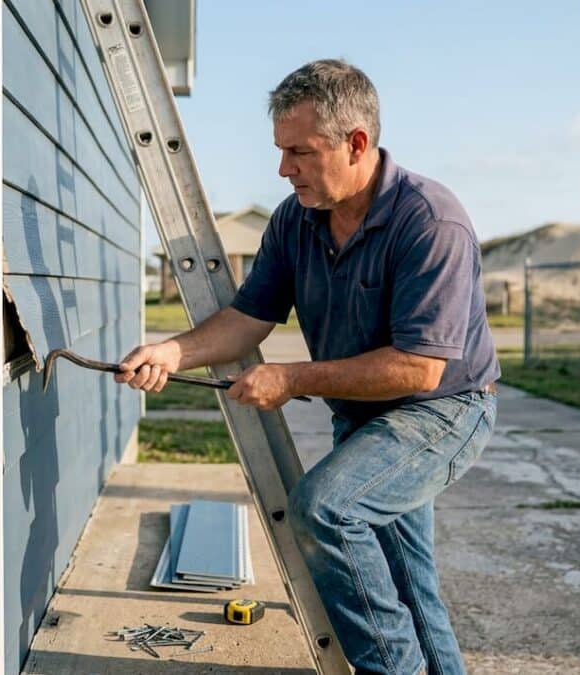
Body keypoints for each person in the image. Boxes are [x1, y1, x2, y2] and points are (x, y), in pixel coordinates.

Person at [114, 59, 499, 675]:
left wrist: (291, 378)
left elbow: (420, 369)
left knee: (326, 509)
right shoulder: (296, 219)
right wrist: (171, 351)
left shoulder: (430, 221)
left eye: (299, 151)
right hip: (366, 417)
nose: (283, 168)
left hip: (442, 412)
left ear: (356, 143)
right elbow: (248, 317)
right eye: (280, 150)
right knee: (410, 586)